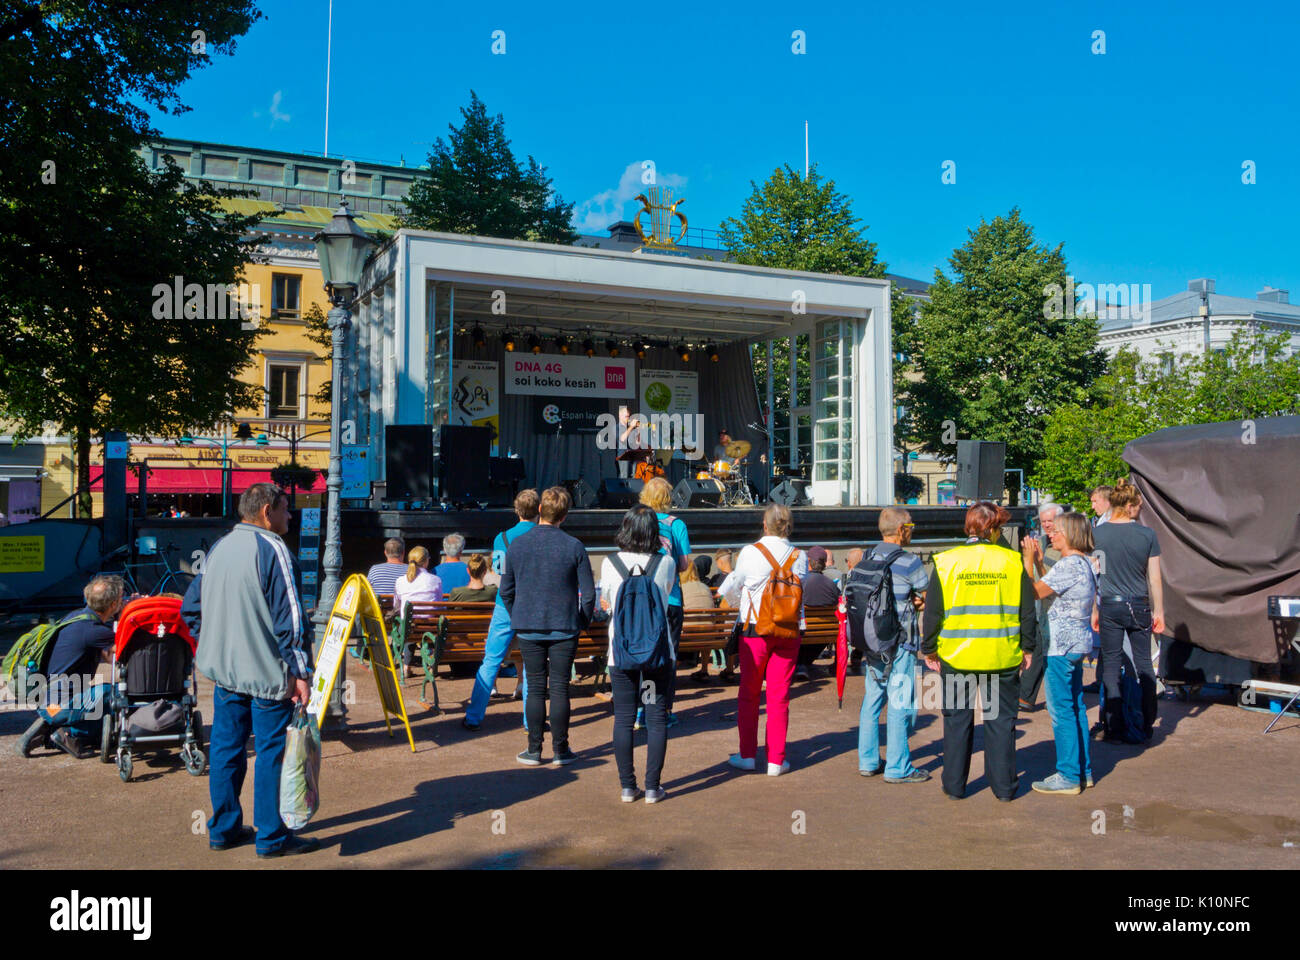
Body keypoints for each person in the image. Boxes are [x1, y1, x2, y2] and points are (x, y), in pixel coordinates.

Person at [180, 483, 317, 857]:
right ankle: (271, 837)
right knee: (272, 752)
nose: (290, 517)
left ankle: (223, 829)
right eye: (286, 509)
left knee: (226, 748)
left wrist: (213, 642)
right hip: (268, 673)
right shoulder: (275, 550)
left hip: (225, 672)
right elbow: (291, 621)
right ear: (267, 510)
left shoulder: (220, 547)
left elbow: (190, 609)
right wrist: (302, 673)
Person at [921, 502, 1039, 802]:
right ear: (995, 528)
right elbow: (1027, 611)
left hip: (958, 657)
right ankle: (1004, 789)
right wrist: (1028, 647)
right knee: (1000, 723)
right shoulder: (1011, 562)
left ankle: (955, 786)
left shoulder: (947, 562)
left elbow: (933, 612)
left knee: (957, 721)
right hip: (1001, 656)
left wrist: (929, 648)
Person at [499, 486, 594, 766]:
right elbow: (588, 594)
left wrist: (519, 613)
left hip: (528, 625)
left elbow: (506, 590)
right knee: (561, 688)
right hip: (564, 625)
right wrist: (582, 621)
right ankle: (561, 750)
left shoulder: (517, 545)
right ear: (565, 515)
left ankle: (534, 749)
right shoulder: (574, 546)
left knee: (536, 686)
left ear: (540, 510)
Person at [719, 503, 808, 776]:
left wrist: (739, 601)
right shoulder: (800, 556)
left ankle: (747, 754)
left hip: (755, 628)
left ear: (765, 524)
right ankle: (776, 760)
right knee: (780, 696)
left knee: (749, 693)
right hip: (788, 629)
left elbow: (731, 588)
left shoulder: (750, 552)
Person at [600, 505, 678, 803]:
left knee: (623, 718)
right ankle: (653, 787)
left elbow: (607, 598)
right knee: (656, 717)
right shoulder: (666, 562)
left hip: (621, 651)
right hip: (658, 651)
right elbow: (666, 594)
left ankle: (627, 786)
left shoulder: (610, 563)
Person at [855, 508, 930, 783]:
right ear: (901, 530)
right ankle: (898, 768)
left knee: (872, 699)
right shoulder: (909, 561)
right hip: (901, 640)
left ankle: (868, 760)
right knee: (900, 702)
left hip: (872, 639)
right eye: (911, 526)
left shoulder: (867, 556)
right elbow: (926, 595)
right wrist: (916, 602)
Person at [17, 575, 127, 759]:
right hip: (61, 705)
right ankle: (68, 734)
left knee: (98, 700)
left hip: (47, 701)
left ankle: (52, 727)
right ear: (113, 604)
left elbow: (108, 657)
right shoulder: (94, 631)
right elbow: (122, 655)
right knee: (113, 693)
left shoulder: (77, 617)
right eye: (122, 599)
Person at [1026, 512, 1097, 795]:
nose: (1051, 535)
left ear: (1068, 535)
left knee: (1061, 711)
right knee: (1076, 707)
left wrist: (1028, 562)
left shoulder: (1069, 565)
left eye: (1056, 531)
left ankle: (1068, 775)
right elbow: (1054, 589)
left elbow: (1034, 592)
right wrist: (1042, 563)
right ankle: (1083, 771)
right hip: (1077, 644)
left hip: (1061, 646)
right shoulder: (1082, 564)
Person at [1092, 478, 1164, 744]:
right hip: (1139, 604)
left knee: (1111, 664)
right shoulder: (1147, 535)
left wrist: (1093, 610)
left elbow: (1094, 574)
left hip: (1109, 602)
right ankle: (1145, 723)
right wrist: (1160, 611)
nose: (1141, 510)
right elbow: (1154, 578)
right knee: (1144, 664)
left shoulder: (1098, 534)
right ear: (1131, 506)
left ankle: (1113, 725)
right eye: (1140, 505)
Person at [463, 489, 539, 731]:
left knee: (491, 661)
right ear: (538, 510)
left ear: (516, 510)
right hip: (532, 605)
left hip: (505, 605)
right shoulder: (542, 536)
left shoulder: (501, 538)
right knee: (531, 663)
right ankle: (531, 720)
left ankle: (474, 716)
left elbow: (497, 571)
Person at [639, 477, 690, 727]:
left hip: (641, 598)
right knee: (668, 657)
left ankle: (643, 709)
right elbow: (683, 564)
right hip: (670, 599)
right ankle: (663, 710)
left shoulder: (636, 520)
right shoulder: (676, 524)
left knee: (643, 655)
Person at [1018, 502, 1066, 711]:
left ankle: (1031, 696)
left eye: (1050, 521)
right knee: (1037, 647)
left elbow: (1052, 582)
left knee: (1047, 652)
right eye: (1044, 521)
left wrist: (1035, 562)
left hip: (1054, 607)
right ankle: (1025, 697)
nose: (1047, 525)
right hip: (1039, 607)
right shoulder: (1042, 541)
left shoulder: (1064, 546)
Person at [796, 545, 840, 680]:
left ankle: (800, 664)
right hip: (825, 636)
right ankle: (803, 663)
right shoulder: (832, 584)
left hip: (802, 636)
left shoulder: (800, 583)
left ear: (808, 562)